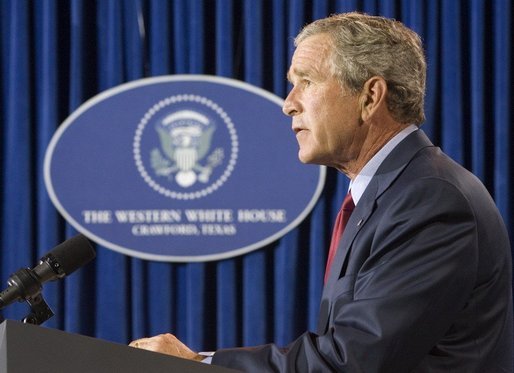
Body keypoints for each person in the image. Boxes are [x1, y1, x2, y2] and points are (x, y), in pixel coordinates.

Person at [129, 12, 513, 372]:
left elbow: (353, 358)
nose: (288, 104)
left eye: (306, 82)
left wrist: (200, 364)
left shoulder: (430, 200)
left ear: (369, 96)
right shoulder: (393, 192)